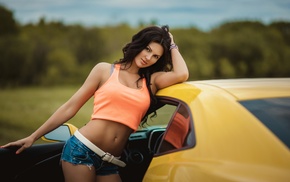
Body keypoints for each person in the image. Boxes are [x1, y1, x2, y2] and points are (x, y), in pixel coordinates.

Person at [1, 25, 189, 182]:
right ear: (138, 44)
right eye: (147, 49)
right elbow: (70, 107)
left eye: (155, 56)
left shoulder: (152, 81)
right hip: (82, 150)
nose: (148, 57)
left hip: (112, 160)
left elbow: (182, 74)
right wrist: (33, 137)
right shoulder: (104, 70)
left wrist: (172, 44)